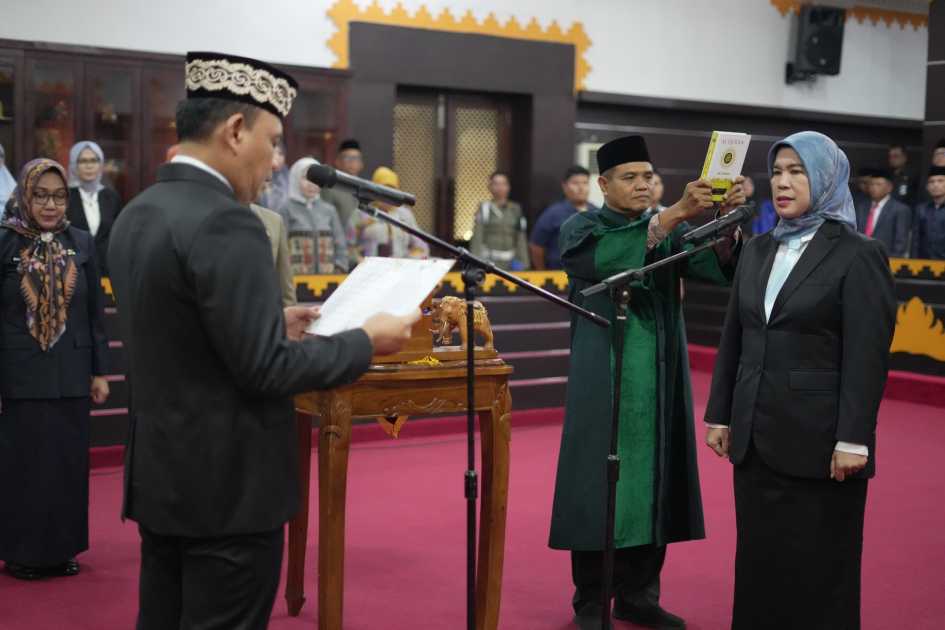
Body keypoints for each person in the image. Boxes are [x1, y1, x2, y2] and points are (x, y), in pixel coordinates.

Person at [107, 52, 418, 630]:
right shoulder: (229, 221)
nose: (277, 161)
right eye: (273, 141)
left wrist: (271, 319)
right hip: (229, 493)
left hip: (163, 479)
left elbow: (183, 330)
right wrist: (364, 340)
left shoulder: (137, 213)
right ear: (234, 130)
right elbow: (267, 370)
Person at [549, 135, 745, 630]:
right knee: (599, 482)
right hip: (606, 377)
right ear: (603, 184)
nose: (642, 185)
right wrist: (675, 213)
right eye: (629, 177)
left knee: (657, 477)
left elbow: (716, 265)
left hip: (660, 374)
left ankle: (639, 594)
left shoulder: (667, 227)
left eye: (648, 176)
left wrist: (728, 219)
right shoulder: (581, 228)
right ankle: (591, 601)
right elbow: (609, 259)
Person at [704, 131, 896, 630]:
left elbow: (867, 356)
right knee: (759, 566)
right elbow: (736, 335)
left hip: (820, 441)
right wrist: (720, 412)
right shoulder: (757, 248)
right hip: (754, 436)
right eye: (777, 172)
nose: (782, 183)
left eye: (797, 172)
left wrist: (854, 438)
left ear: (827, 178)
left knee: (817, 571)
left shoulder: (859, 253)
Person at [0, 158, 109, 580]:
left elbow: (94, 313)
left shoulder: (80, 241)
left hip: (71, 373)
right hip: (20, 374)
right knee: (25, 466)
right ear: (25, 196)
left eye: (59, 196)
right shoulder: (5, 240)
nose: (50, 205)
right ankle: (23, 553)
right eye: (41, 196)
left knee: (67, 466)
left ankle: (63, 549)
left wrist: (99, 371)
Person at [278, 156, 349, 274]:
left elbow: (340, 244)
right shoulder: (286, 209)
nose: (312, 184)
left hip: (328, 279)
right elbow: (280, 246)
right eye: (306, 178)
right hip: (296, 279)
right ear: (295, 178)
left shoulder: (329, 210)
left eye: (316, 179)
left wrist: (340, 268)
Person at [65, 141, 123, 274]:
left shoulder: (111, 197)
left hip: (106, 270)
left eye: (94, 160)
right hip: (74, 271)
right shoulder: (65, 197)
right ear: (74, 165)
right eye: (83, 161)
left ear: (101, 164)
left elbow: (117, 235)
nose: (89, 166)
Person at [530, 165, 598, 270]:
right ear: (564, 186)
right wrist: (543, 273)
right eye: (575, 183)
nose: (581, 188)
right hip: (560, 274)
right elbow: (536, 246)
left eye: (585, 183)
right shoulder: (553, 213)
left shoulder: (597, 212)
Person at [358, 166, 429, 259]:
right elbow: (349, 245)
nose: (387, 195)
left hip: (399, 265)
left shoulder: (404, 214)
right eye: (383, 190)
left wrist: (414, 256)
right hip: (370, 265)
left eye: (392, 190)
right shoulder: (363, 212)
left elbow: (420, 245)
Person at [468, 171, 529, 270]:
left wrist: (524, 262)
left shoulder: (516, 209)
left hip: (511, 262)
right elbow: (477, 237)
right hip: (489, 261)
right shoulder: (484, 208)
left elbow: (520, 237)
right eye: (496, 184)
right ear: (490, 187)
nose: (500, 188)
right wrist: (476, 262)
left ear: (509, 187)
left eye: (503, 184)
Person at [320, 138, 364, 264]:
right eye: (348, 158)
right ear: (337, 162)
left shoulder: (366, 189)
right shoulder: (330, 189)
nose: (352, 162)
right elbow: (326, 222)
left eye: (356, 158)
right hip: (341, 252)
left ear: (362, 164)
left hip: (364, 251)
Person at [855, 169, 911, 257]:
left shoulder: (900, 209)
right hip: (861, 257)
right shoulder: (861, 207)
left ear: (889, 188)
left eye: (878, 184)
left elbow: (900, 241)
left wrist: (893, 260)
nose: (874, 187)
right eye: (871, 184)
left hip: (886, 258)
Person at [250, 203, 296, 306]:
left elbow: (284, 275)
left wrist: (290, 307)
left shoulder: (274, 220)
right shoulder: (214, 215)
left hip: (264, 308)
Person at [912, 166, 945, 260]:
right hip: (924, 263)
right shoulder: (921, 209)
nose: (935, 185)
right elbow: (915, 240)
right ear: (927, 187)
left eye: (940, 181)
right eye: (931, 182)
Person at [256, 140, 288, 213]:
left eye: (280, 154)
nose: (277, 158)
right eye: (273, 153)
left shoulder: (287, 176)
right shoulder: (258, 175)